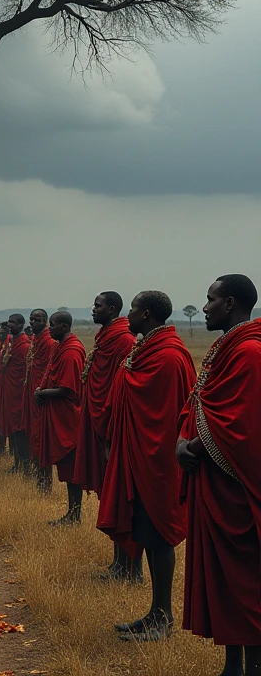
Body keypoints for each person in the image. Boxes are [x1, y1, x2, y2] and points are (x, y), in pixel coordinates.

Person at [97, 291, 196, 641]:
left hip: (159, 461)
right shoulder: (145, 349)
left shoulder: (169, 357)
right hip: (138, 457)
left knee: (159, 536)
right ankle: (155, 612)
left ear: (148, 314)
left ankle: (164, 617)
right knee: (148, 535)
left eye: (135, 311)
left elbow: (167, 415)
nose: (129, 317)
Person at [177, 274, 261, 676]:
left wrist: (191, 447)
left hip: (236, 491)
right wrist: (183, 439)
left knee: (245, 582)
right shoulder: (225, 347)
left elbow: (241, 425)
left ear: (229, 303)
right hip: (213, 484)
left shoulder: (249, 353)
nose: (204, 307)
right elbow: (199, 402)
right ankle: (232, 666)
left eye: (209, 300)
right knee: (227, 583)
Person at [74, 292, 138, 582]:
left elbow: (121, 389)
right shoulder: (104, 337)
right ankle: (118, 563)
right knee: (108, 497)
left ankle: (131, 568)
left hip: (113, 428)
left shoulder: (124, 341)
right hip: (99, 425)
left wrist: (111, 433)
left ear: (112, 309)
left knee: (122, 500)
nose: (93, 309)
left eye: (97, 305)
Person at [35, 311, 86, 525]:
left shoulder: (72, 352)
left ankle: (75, 515)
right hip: (59, 416)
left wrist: (42, 393)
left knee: (72, 469)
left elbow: (68, 388)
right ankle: (71, 513)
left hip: (69, 419)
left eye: (53, 325)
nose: (50, 329)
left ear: (65, 326)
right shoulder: (59, 348)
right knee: (67, 469)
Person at [21, 309, 55, 491]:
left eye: (38, 319)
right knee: (33, 435)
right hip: (32, 395)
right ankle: (39, 477)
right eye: (32, 319)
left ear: (46, 321)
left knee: (41, 439)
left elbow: (49, 372)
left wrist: (42, 391)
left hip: (42, 398)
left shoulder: (49, 342)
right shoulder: (36, 340)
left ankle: (46, 482)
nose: (34, 322)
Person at [0, 314, 31, 473]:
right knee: (14, 431)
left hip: (19, 393)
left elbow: (24, 373)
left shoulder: (24, 345)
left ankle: (24, 466)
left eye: (14, 322)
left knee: (20, 432)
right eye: (9, 322)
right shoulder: (13, 342)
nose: (10, 325)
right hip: (10, 392)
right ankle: (17, 464)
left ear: (22, 324)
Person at [0, 321, 12, 457]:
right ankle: (1, 448)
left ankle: (7, 449)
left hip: (8, 386)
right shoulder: (3, 344)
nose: (0, 333)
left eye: (2, 332)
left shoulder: (10, 344)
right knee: (0, 416)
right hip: (0, 383)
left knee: (7, 418)